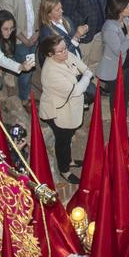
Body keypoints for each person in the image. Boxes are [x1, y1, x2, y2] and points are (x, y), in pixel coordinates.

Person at [36, 36, 92, 185]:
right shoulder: (51, 73)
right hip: (57, 111)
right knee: (63, 141)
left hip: (69, 105)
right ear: (50, 54)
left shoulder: (65, 54)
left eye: (65, 48)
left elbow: (83, 67)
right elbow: (77, 89)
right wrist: (86, 76)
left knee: (69, 135)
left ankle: (70, 160)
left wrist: (86, 74)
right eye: (60, 51)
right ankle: (64, 170)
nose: (65, 52)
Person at [0, 0, 41, 100]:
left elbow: (39, 8)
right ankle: (24, 98)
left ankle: (25, 89)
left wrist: (37, 32)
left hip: (33, 36)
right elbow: (9, 23)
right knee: (25, 71)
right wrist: (25, 40)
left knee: (31, 67)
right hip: (19, 41)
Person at [98, 0, 129, 96]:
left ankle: (123, 112)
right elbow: (118, 51)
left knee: (127, 92)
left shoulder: (125, 21)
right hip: (118, 67)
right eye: (128, 6)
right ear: (120, 10)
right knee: (117, 96)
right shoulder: (109, 27)